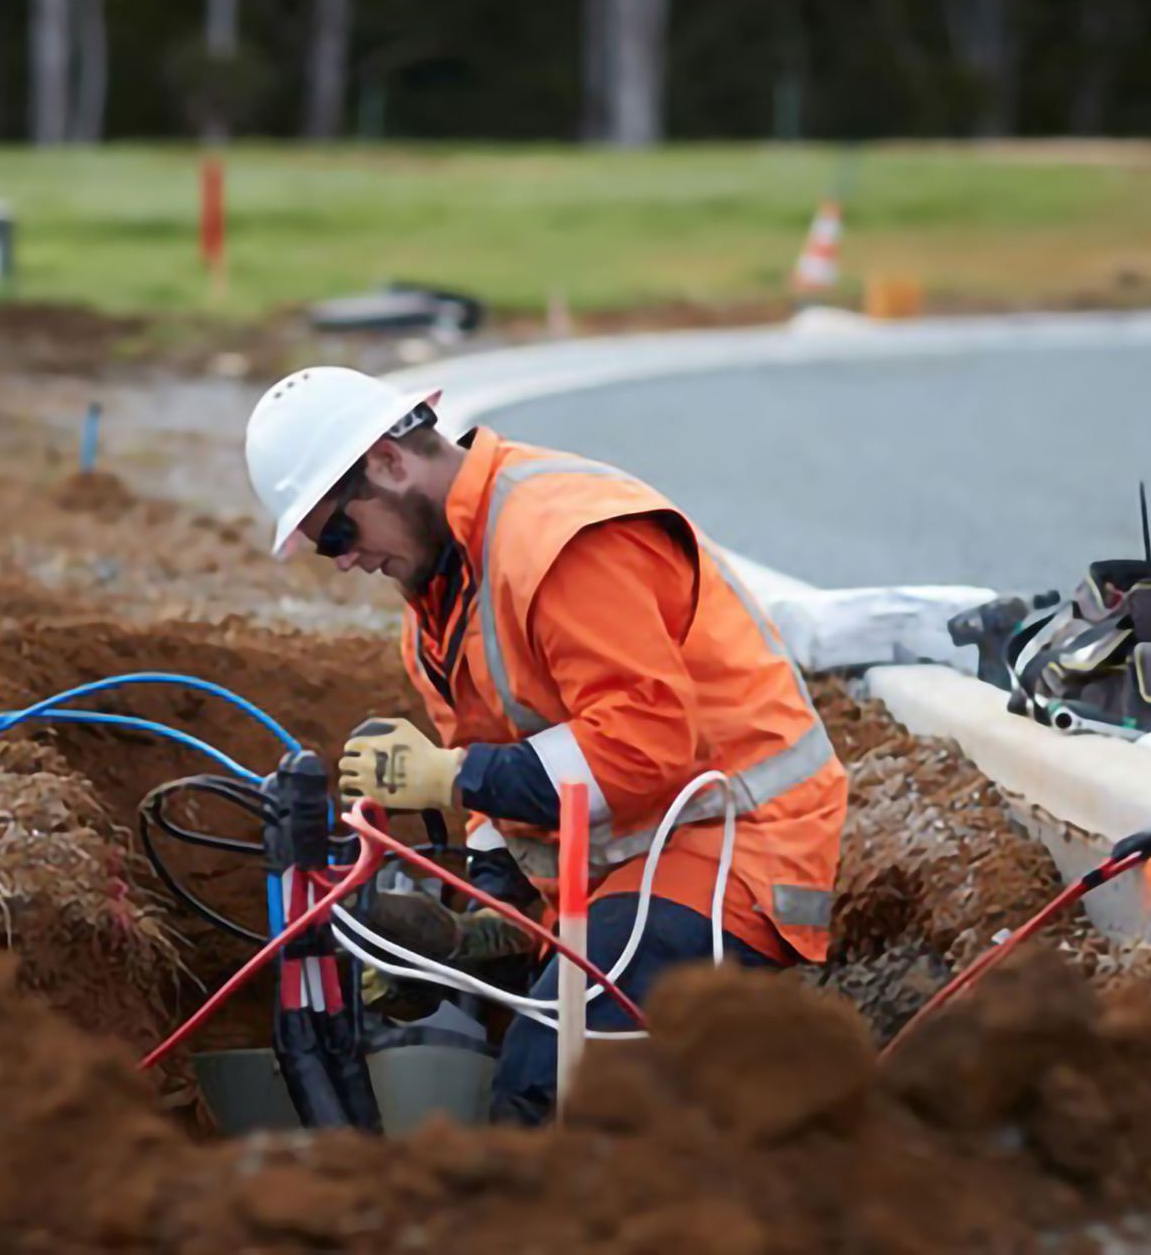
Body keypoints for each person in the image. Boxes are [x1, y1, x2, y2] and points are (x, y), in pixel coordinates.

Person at [243, 366, 847, 1123]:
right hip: (618, 869)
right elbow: (506, 810)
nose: (342, 559)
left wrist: (456, 776)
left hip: (732, 850)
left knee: (546, 1083)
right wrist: (476, 932)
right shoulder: (439, 601)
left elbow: (643, 748)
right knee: (522, 1039)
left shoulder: (560, 539)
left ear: (390, 462)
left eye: (337, 529)